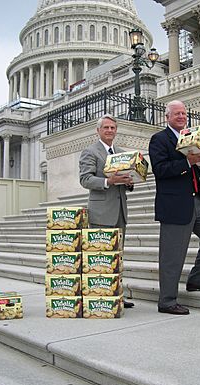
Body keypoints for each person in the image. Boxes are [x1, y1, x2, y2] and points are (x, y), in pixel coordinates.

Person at [148, 100, 200, 315]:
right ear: (168, 117)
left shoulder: (190, 138)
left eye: (183, 113)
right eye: (177, 114)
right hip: (174, 203)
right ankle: (167, 301)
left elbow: (194, 173)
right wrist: (188, 162)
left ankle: (197, 279)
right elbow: (160, 170)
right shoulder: (159, 139)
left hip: (197, 200)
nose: (181, 117)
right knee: (172, 255)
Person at [79, 114, 134, 308]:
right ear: (98, 130)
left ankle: (116, 295)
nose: (110, 131)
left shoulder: (120, 152)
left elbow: (125, 180)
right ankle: (99, 298)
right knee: (100, 257)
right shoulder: (90, 152)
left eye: (113, 128)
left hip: (120, 211)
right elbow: (85, 179)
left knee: (117, 257)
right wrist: (107, 181)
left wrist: (129, 182)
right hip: (101, 213)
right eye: (106, 128)